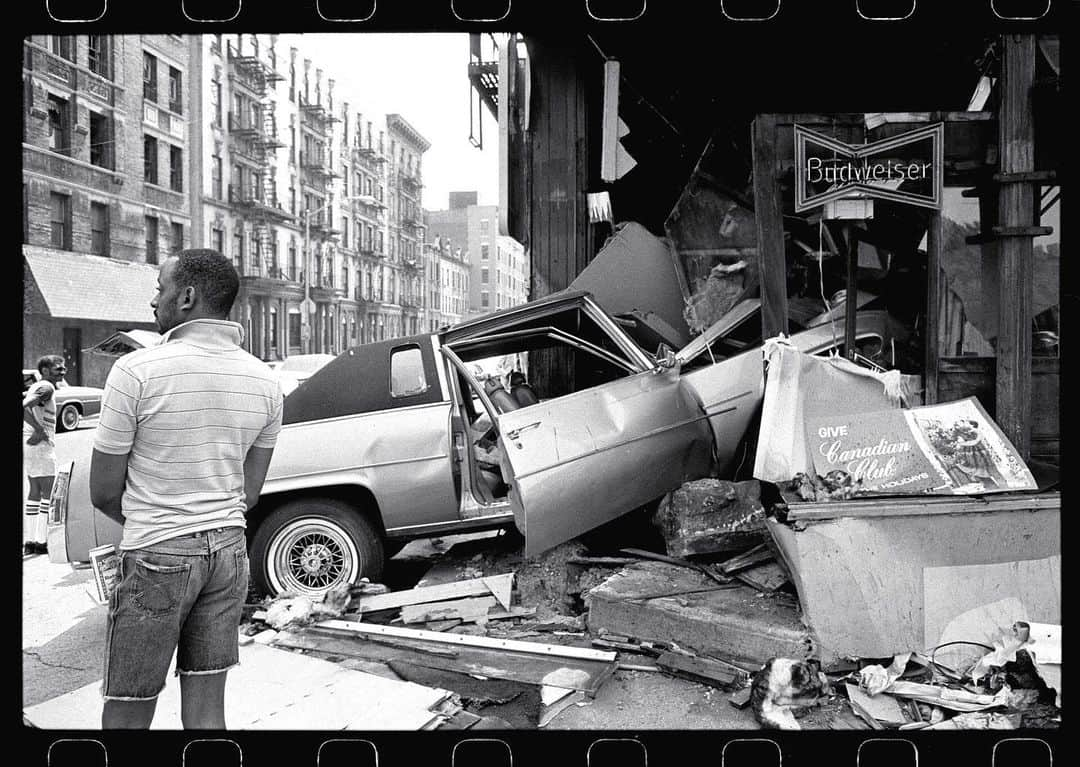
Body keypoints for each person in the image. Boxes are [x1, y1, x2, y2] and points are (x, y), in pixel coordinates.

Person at [90, 249, 283, 729]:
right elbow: (251, 492)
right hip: (229, 552)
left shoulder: (136, 372)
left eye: (160, 288)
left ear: (187, 297)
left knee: (128, 713)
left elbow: (102, 492)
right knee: (206, 713)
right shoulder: (265, 381)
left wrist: (161, 521)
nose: (154, 300)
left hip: (159, 551)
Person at [23, 355, 66, 556]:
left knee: (35, 491)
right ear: (46, 371)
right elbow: (24, 405)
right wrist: (39, 429)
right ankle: (42, 542)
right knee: (48, 494)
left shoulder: (39, 386)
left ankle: (30, 541)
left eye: (64, 367)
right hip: (40, 445)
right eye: (58, 368)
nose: (63, 371)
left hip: (30, 445)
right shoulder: (46, 387)